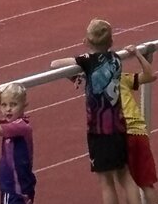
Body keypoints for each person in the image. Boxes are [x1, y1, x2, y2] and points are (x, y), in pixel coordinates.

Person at [51, 19, 134, 204]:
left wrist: (76, 74)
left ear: (86, 41)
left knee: (106, 181)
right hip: (119, 125)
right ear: (111, 41)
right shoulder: (116, 58)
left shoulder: (87, 61)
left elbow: (54, 64)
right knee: (125, 175)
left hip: (99, 130)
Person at [117, 48, 158, 204]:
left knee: (127, 182)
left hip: (120, 133)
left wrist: (83, 61)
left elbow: (55, 64)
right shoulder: (123, 78)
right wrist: (138, 54)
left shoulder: (98, 81)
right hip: (139, 132)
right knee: (147, 183)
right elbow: (151, 75)